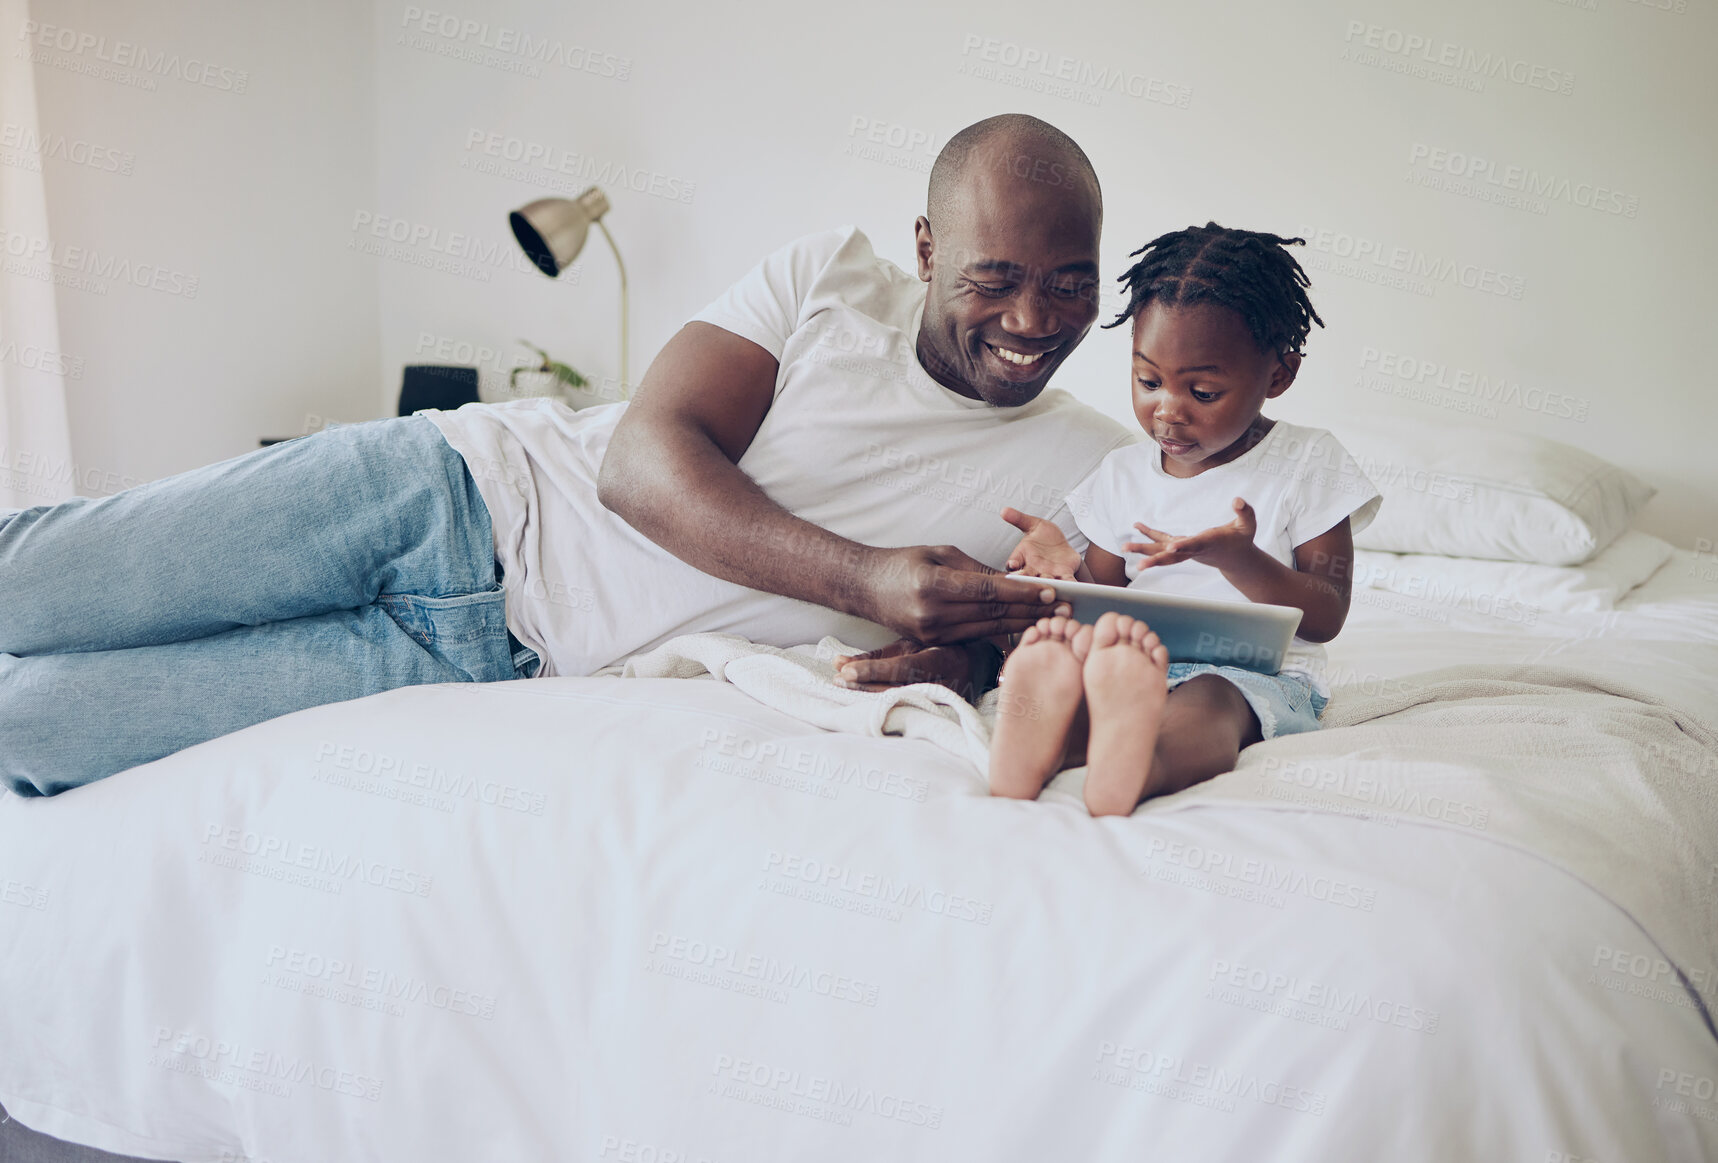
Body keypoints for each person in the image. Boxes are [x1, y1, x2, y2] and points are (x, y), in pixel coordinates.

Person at [0, 113, 1134, 796]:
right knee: (28, 582)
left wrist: (966, 668)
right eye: (995, 278)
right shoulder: (826, 277)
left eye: (1071, 284)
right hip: (448, 495)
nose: (1034, 320)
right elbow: (640, 463)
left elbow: (1093, 642)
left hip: (490, 661)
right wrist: (869, 578)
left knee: (35, 726)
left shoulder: (1092, 468)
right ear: (927, 249)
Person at [987, 223, 1383, 817]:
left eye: (1201, 392)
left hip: (1255, 673)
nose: (1166, 411)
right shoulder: (1121, 474)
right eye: (1148, 381)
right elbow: (1104, 597)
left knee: (1210, 706)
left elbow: (1325, 614)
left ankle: (1144, 766)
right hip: (1131, 658)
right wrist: (1061, 570)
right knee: (1089, 678)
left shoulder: (1308, 462)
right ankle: (1040, 751)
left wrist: (1237, 558)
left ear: (1278, 376)